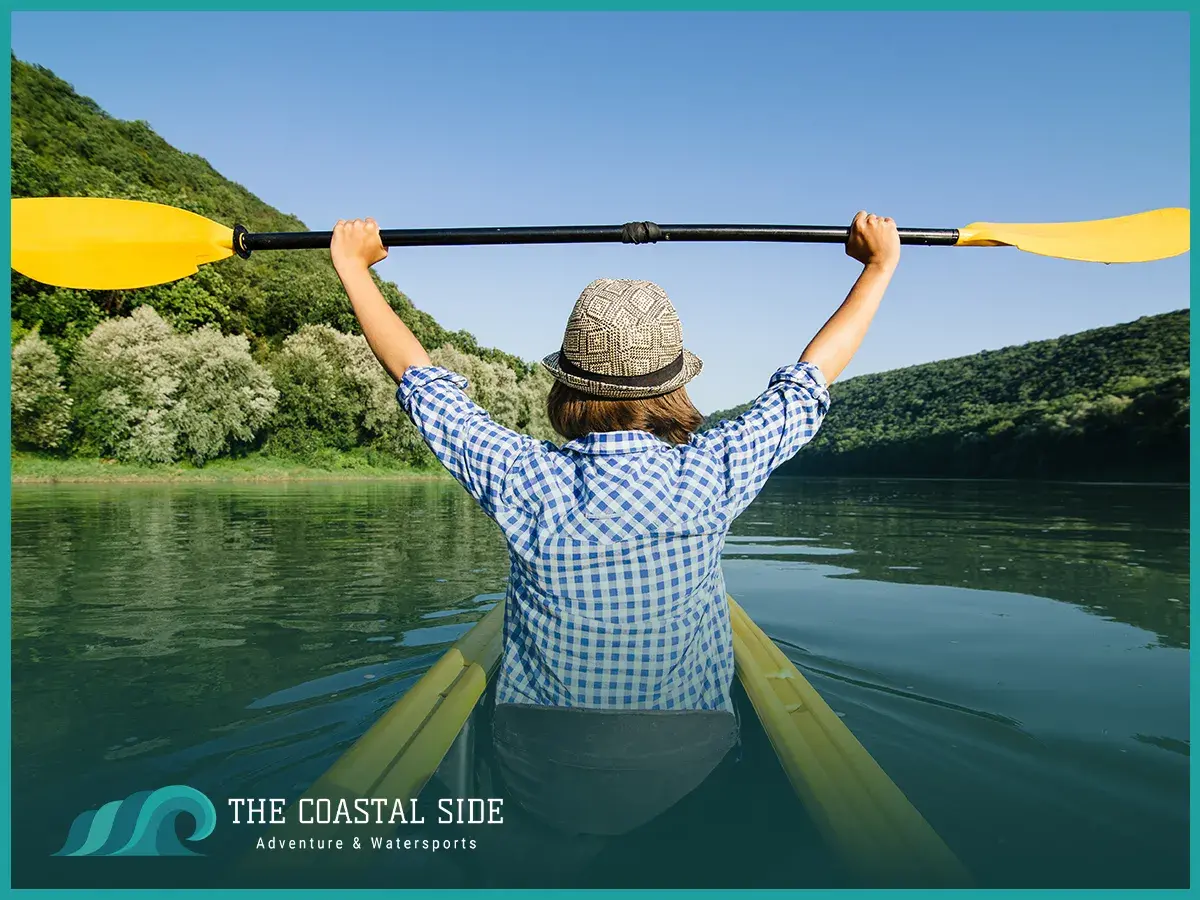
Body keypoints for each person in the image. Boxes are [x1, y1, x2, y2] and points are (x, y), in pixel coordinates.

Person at [330, 211, 900, 847]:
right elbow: (808, 381)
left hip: (535, 763)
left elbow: (420, 382)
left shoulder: (522, 476)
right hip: (686, 762)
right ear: (674, 387)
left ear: (567, 386)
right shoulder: (713, 473)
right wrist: (878, 267)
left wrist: (353, 268)